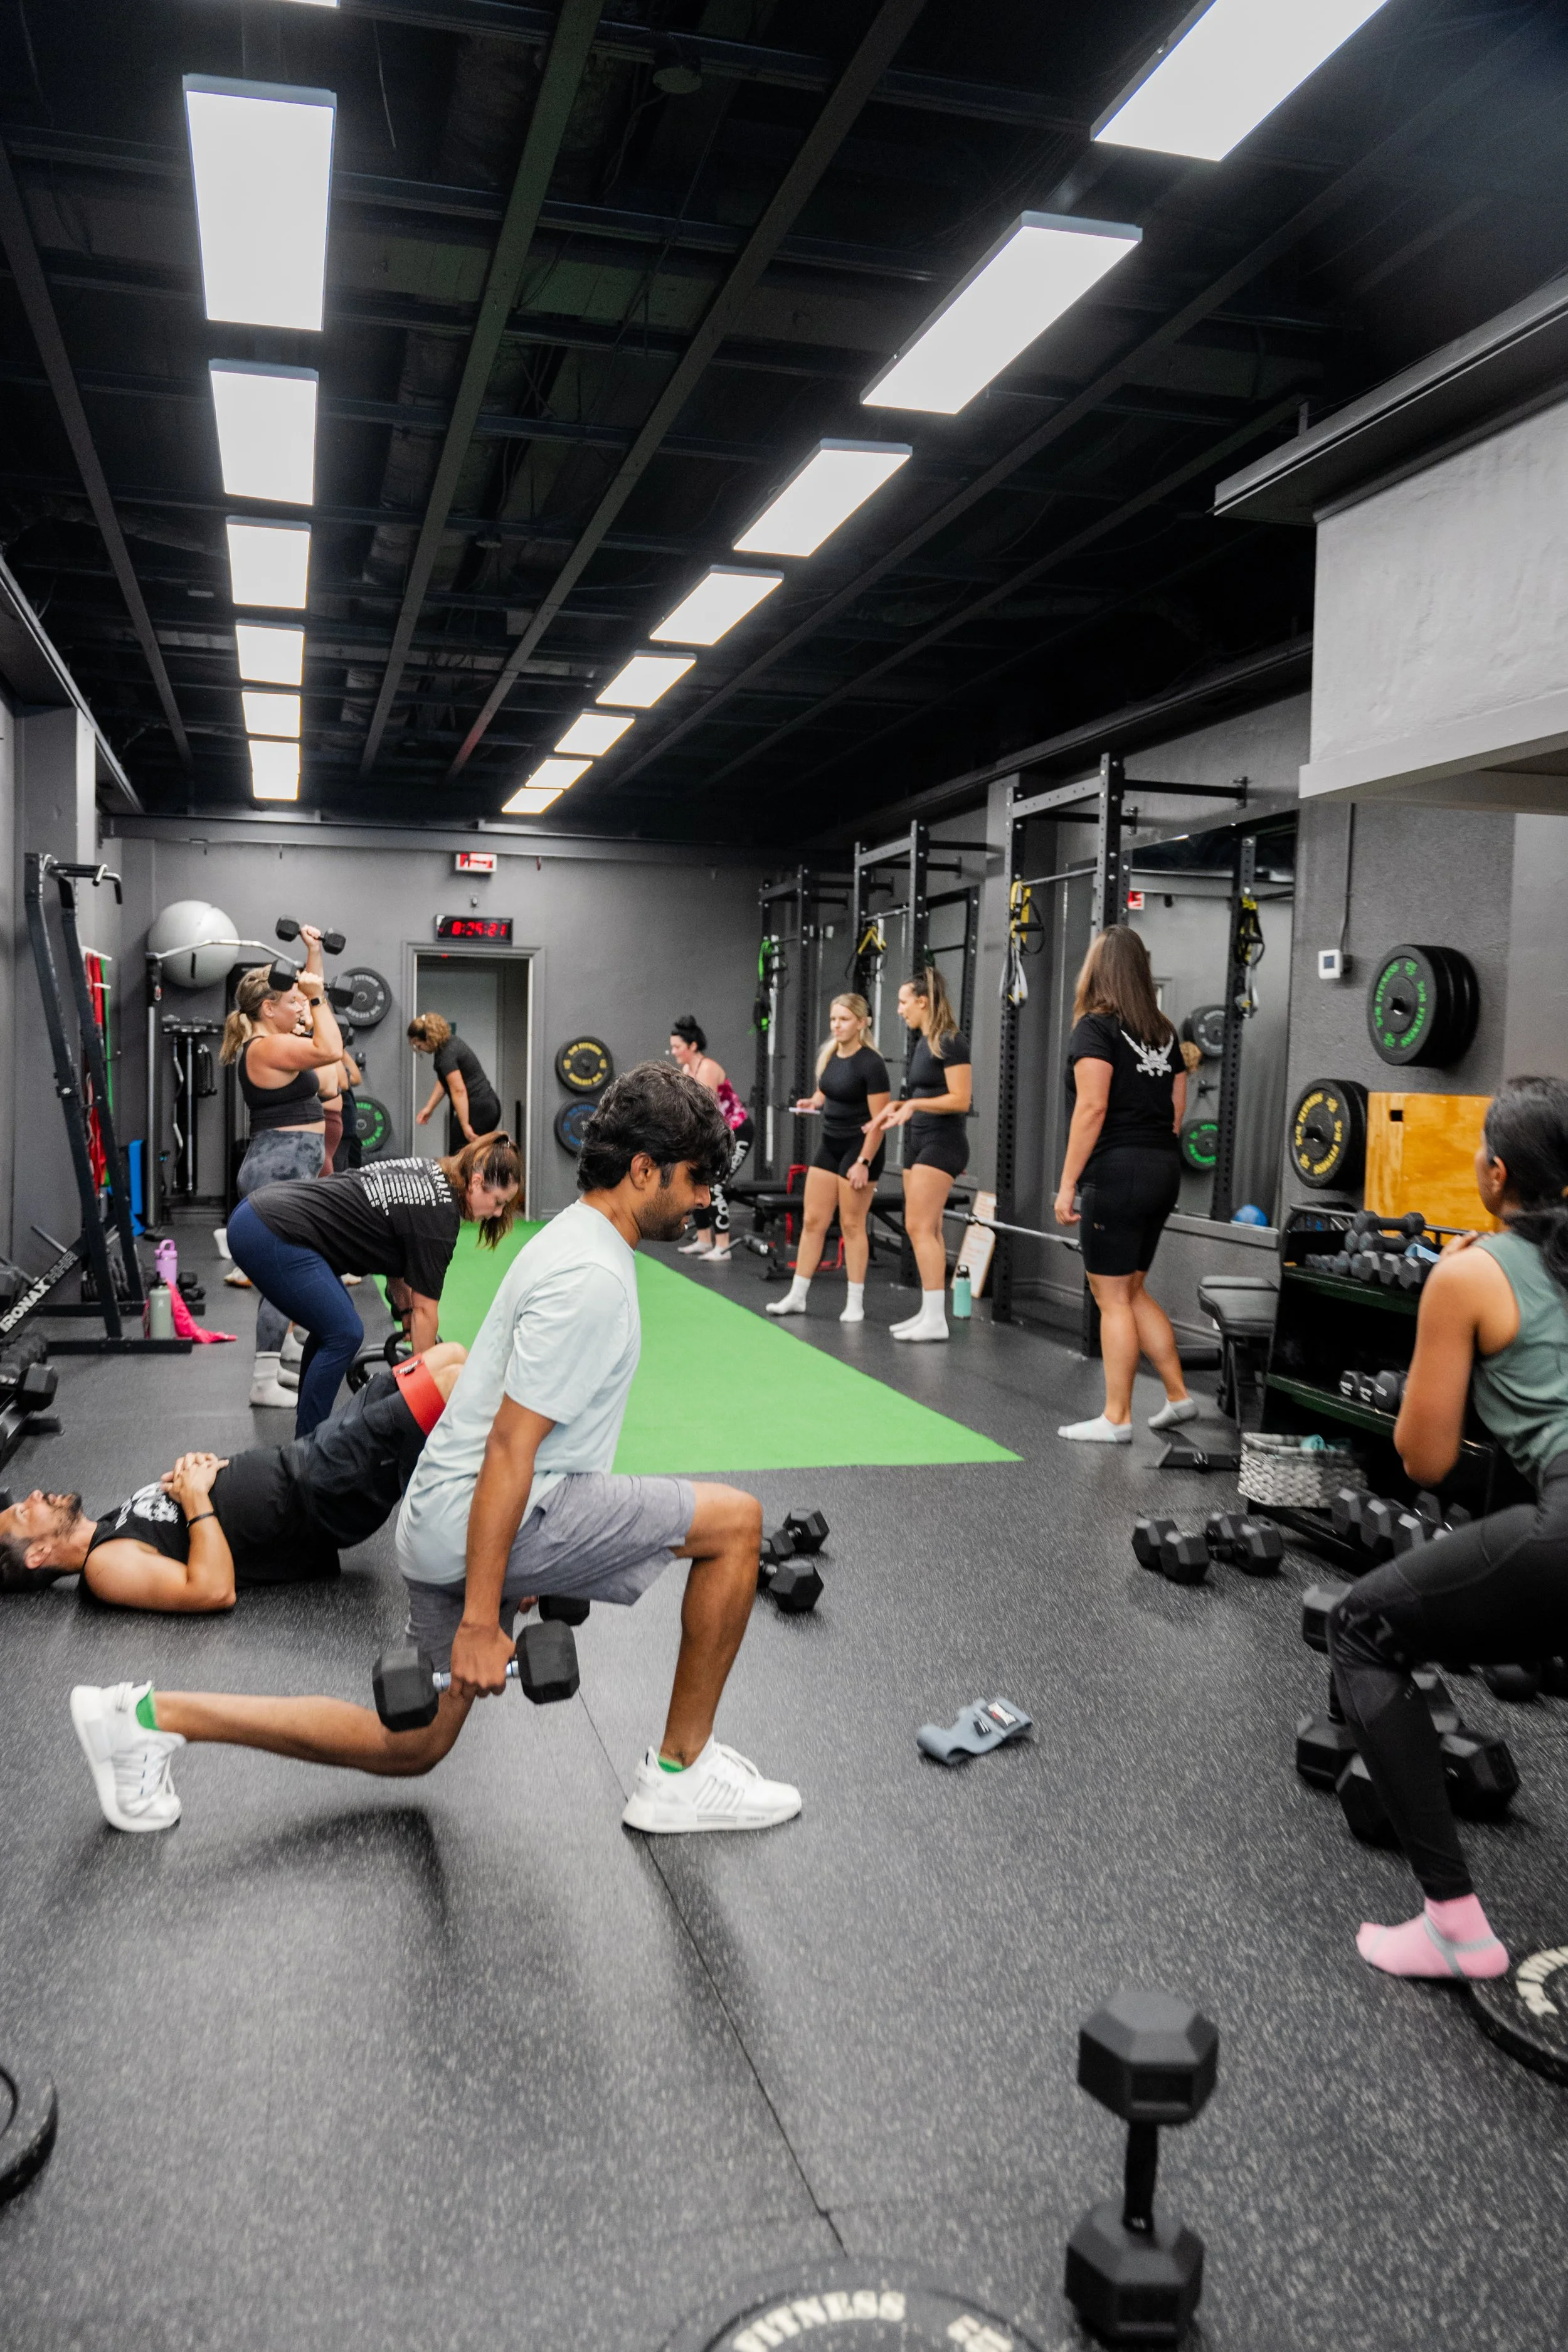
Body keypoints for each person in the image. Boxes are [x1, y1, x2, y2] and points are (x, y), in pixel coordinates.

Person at [68, 1062, 802, 1841]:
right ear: (645, 1169)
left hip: (444, 1517)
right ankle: (683, 1776)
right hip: (485, 1511)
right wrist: (483, 1616)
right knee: (735, 1524)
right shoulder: (590, 1276)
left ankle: (147, 1717)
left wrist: (519, 1576)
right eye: (693, 1182)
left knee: (412, 1745)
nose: (700, 1202)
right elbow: (513, 1450)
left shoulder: (573, 1237)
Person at [1326, 1076, 1568, 1983]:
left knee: (1362, 1628)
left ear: (1497, 1173)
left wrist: (1452, 1305)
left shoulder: (1467, 1273)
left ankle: (1455, 1927)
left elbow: (1423, 1461)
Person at [0, 1349, 466, 1610]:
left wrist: (193, 1473)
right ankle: (514, 1492)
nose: (36, 1495)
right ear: (38, 1554)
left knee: (450, 1358)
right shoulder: (103, 1570)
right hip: (320, 1489)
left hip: (308, 1456)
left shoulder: (107, 1526)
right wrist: (197, 1498)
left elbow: (187, 1518)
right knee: (454, 1385)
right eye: (26, 1511)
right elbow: (211, 1590)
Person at [226, 1136, 521, 1438]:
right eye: (498, 1202)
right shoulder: (440, 1216)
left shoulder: (432, 1175)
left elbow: (397, 1263)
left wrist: (404, 1311)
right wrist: (427, 1398)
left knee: (332, 1325)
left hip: (258, 1214)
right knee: (344, 1332)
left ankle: (306, 1440)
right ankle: (307, 1450)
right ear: (475, 1182)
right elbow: (425, 1312)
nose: (497, 1213)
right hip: (269, 1231)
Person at [1052, 924, 1193, 1443]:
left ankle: (1116, 1417)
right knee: (1132, 1290)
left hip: (1119, 1170)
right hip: (1162, 1168)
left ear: (1097, 970)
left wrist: (1068, 1184)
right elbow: (1176, 1114)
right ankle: (1178, 1397)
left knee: (1110, 1297)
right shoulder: (1165, 1032)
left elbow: (1092, 1107)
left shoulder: (1095, 1028)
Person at [220, 931, 345, 1407]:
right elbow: (330, 1050)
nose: (300, 1009)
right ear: (267, 1008)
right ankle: (263, 1380)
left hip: (290, 1163)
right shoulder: (266, 1048)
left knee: (290, 1267)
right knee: (283, 1273)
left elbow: (324, 1047)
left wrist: (314, 955)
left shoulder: (273, 1040)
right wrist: (317, 998)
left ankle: (281, 1350)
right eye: (291, 1002)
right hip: (277, 1166)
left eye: (301, 1002)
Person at [861, 968, 971, 1343]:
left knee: (921, 1227)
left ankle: (936, 1320)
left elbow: (961, 1099)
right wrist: (899, 1107)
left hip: (943, 1143)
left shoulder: (951, 1041)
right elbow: (926, 1096)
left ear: (923, 1002)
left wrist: (915, 1105)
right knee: (926, 1227)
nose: (899, 1010)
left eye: (904, 1002)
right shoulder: (923, 1042)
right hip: (919, 1140)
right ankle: (930, 1312)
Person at [766, 993, 890, 1325]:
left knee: (851, 1225)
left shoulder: (872, 1064)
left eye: (844, 1020)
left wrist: (864, 1162)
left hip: (860, 1147)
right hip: (830, 1144)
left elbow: (879, 1123)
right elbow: (830, 1089)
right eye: (834, 1019)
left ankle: (855, 1303)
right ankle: (797, 1296)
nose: (837, 1026)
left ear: (862, 1023)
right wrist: (814, 1101)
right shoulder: (832, 1055)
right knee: (812, 1222)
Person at [668, 1015, 752, 1264]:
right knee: (697, 1182)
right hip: (711, 1135)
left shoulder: (707, 1068)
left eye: (677, 1047)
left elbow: (708, 1112)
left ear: (692, 1046)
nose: (673, 1052)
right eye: (672, 1047)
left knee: (715, 1185)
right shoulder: (687, 1070)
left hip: (737, 1133)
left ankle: (723, 1247)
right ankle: (705, 1240)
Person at [410, 1013, 504, 1150]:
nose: (419, 1050)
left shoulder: (446, 1056)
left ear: (428, 1039)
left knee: (459, 1155)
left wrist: (465, 1126)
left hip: (480, 1109)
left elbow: (458, 1090)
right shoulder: (449, 1044)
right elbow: (445, 1082)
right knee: (467, 1153)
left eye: (418, 1045)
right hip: (487, 1105)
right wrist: (429, 1108)